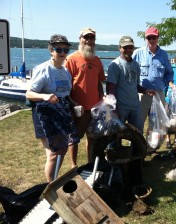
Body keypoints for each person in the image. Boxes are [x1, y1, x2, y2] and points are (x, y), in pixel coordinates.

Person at [26, 34, 80, 182]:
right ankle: (51, 187)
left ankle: (54, 179)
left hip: (62, 113)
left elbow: (65, 94)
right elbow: (29, 93)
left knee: (62, 148)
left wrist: (73, 103)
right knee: (52, 153)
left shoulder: (65, 71)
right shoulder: (43, 69)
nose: (62, 53)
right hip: (45, 114)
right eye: (58, 49)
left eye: (65, 50)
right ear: (51, 50)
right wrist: (45, 96)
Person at [65, 28, 106, 167]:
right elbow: (66, 86)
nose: (89, 40)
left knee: (93, 137)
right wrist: (72, 103)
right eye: (86, 37)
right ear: (80, 39)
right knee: (74, 138)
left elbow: (99, 81)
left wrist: (102, 97)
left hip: (94, 108)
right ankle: (73, 165)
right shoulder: (71, 59)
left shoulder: (97, 60)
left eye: (92, 38)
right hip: (78, 107)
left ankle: (90, 162)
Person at [106, 36, 155, 132]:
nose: (128, 50)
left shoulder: (136, 65)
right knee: (115, 134)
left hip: (135, 106)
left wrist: (145, 90)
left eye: (130, 47)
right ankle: (113, 148)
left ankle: (136, 148)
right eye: (125, 47)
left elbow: (135, 85)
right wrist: (112, 108)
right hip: (120, 107)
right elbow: (110, 88)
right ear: (119, 48)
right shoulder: (115, 65)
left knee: (138, 133)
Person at [132, 27, 174, 135]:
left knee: (156, 124)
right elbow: (130, 70)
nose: (151, 40)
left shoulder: (164, 55)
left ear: (158, 38)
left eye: (153, 37)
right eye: (149, 37)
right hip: (142, 95)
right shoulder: (137, 53)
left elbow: (169, 73)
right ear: (145, 39)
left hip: (158, 95)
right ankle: (136, 147)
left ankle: (152, 148)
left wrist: (169, 83)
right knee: (138, 122)